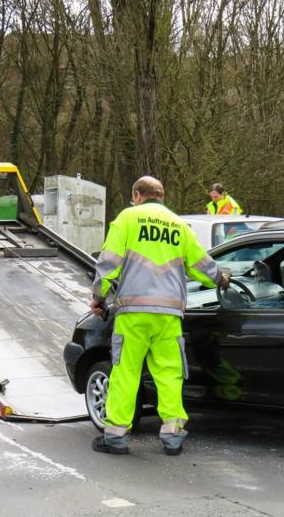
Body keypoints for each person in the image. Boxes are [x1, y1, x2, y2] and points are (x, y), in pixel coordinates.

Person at [91, 176, 230, 456]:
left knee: (126, 372)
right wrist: (221, 278)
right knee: (169, 373)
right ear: (162, 197)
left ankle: (116, 435)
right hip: (169, 314)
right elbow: (202, 265)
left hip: (134, 312)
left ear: (137, 195)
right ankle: (172, 435)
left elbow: (109, 263)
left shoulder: (128, 219)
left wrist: (98, 296)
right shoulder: (179, 225)